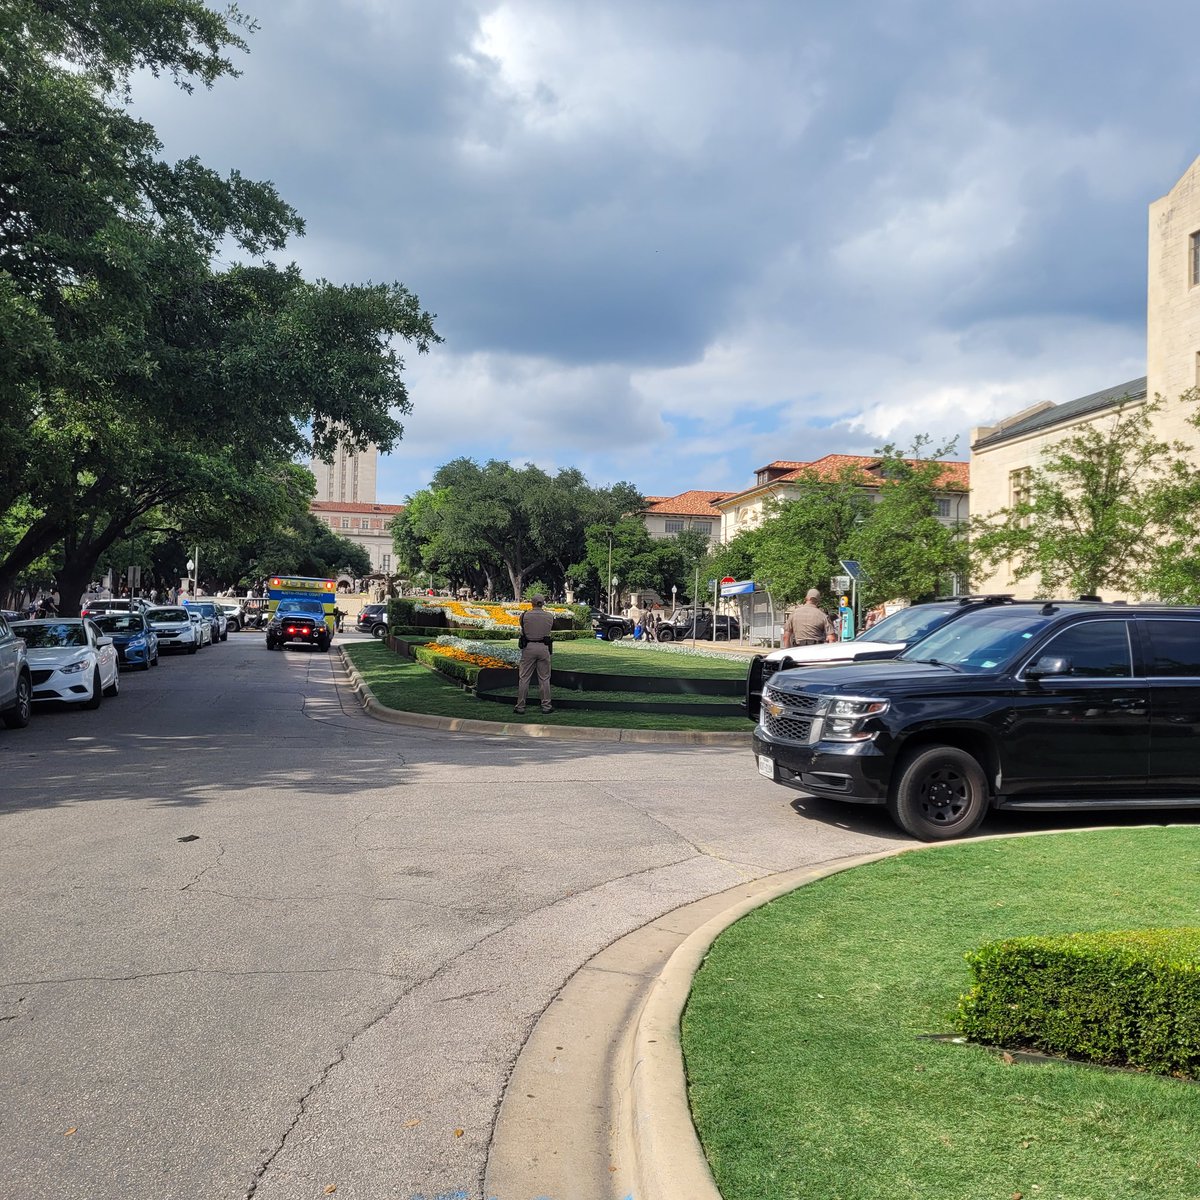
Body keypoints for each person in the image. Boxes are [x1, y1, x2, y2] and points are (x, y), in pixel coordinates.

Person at [514, 595, 556, 715]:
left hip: (529, 647)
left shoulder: (525, 615)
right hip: (543, 647)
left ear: (531, 603)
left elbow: (523, 629)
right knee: (544, 679)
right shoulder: (549, 616)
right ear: (542, 603)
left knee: (524, 678)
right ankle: (546, 705)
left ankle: (520, 706)